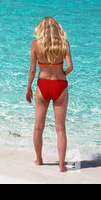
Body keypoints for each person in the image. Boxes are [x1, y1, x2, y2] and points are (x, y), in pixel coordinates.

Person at [25, 17, 73, 172]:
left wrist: (28, 88)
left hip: (43, 85)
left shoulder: (34, 45)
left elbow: (33, 70)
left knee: (39, 127)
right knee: (60, 129)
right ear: (57, 29)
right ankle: (61, 165)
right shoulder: (64, 44)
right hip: (60, 85)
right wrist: (62, 74)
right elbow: (70, 67)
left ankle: (39, 159)